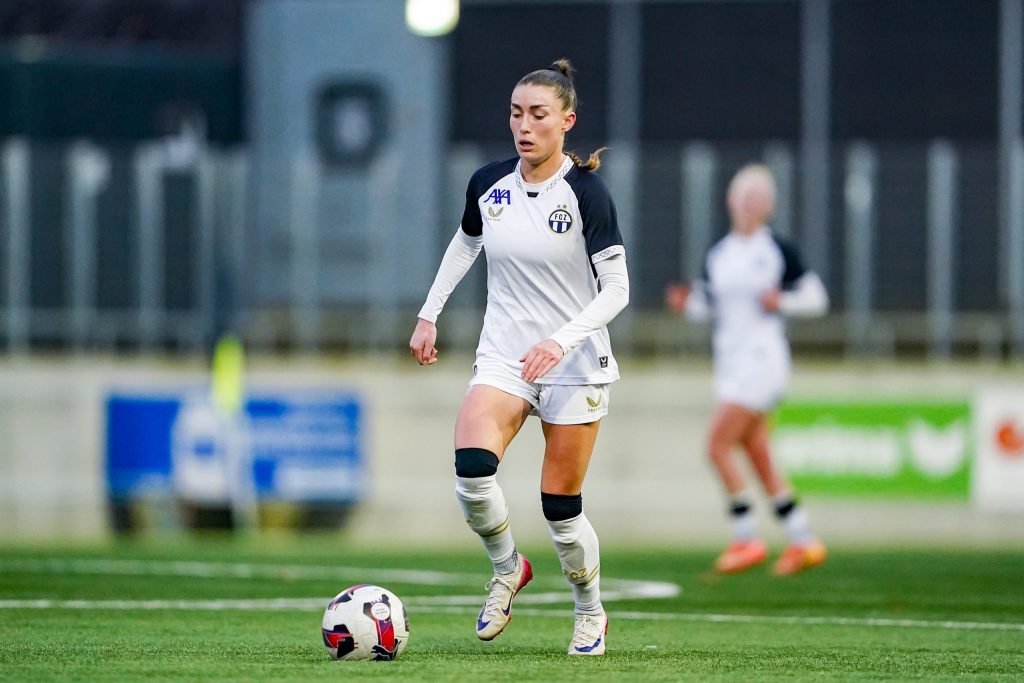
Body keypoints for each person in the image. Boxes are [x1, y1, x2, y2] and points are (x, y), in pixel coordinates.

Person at [409, 58, 629, 654]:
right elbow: (465, 244)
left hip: (574, 362)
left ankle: (590, 610)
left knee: (560, 509)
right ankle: (508, 568)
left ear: (567, 121)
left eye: (538, 114)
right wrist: (429, 314)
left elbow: (617, 290)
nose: (524, 126)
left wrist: (560, 340)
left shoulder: (587, 193)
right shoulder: (489, 184)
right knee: (472, 472)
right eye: (516, 113)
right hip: (505, 355)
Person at [665, 164, 828, 576]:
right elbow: (709, 306)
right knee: (758, 454)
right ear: (730, 200)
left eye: (757, 197)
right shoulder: (719, 254)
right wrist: (687, 304)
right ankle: (803, 540)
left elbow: (816, 298)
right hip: (732, 364)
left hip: (763, 362)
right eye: (743, 195)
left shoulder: (777, 250)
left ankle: (746, 537)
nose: (748, 204)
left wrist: (782, 301)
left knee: (716, 447)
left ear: (769, 206)